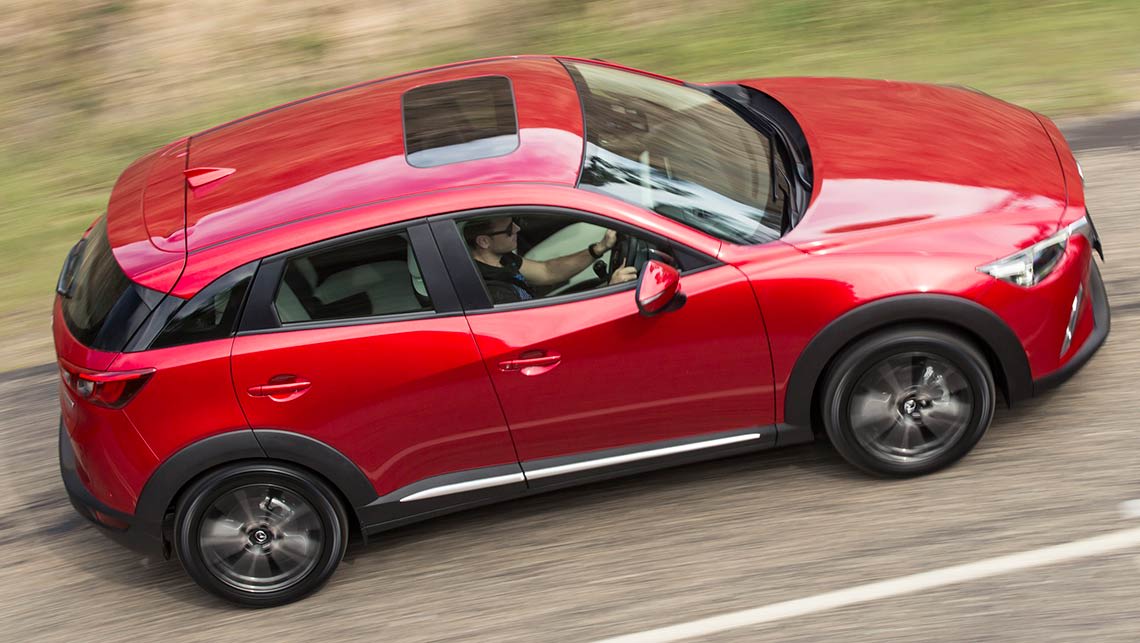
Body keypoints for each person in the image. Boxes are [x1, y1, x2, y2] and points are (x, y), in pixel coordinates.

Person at [464, 216, 638, 304]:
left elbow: (547, 271)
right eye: (509, 229)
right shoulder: (493, 291)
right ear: (483, 241)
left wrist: (599, 248)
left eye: (515, 222)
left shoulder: (502, 258)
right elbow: (549, 329)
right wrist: (609, 293)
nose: (517, 228)